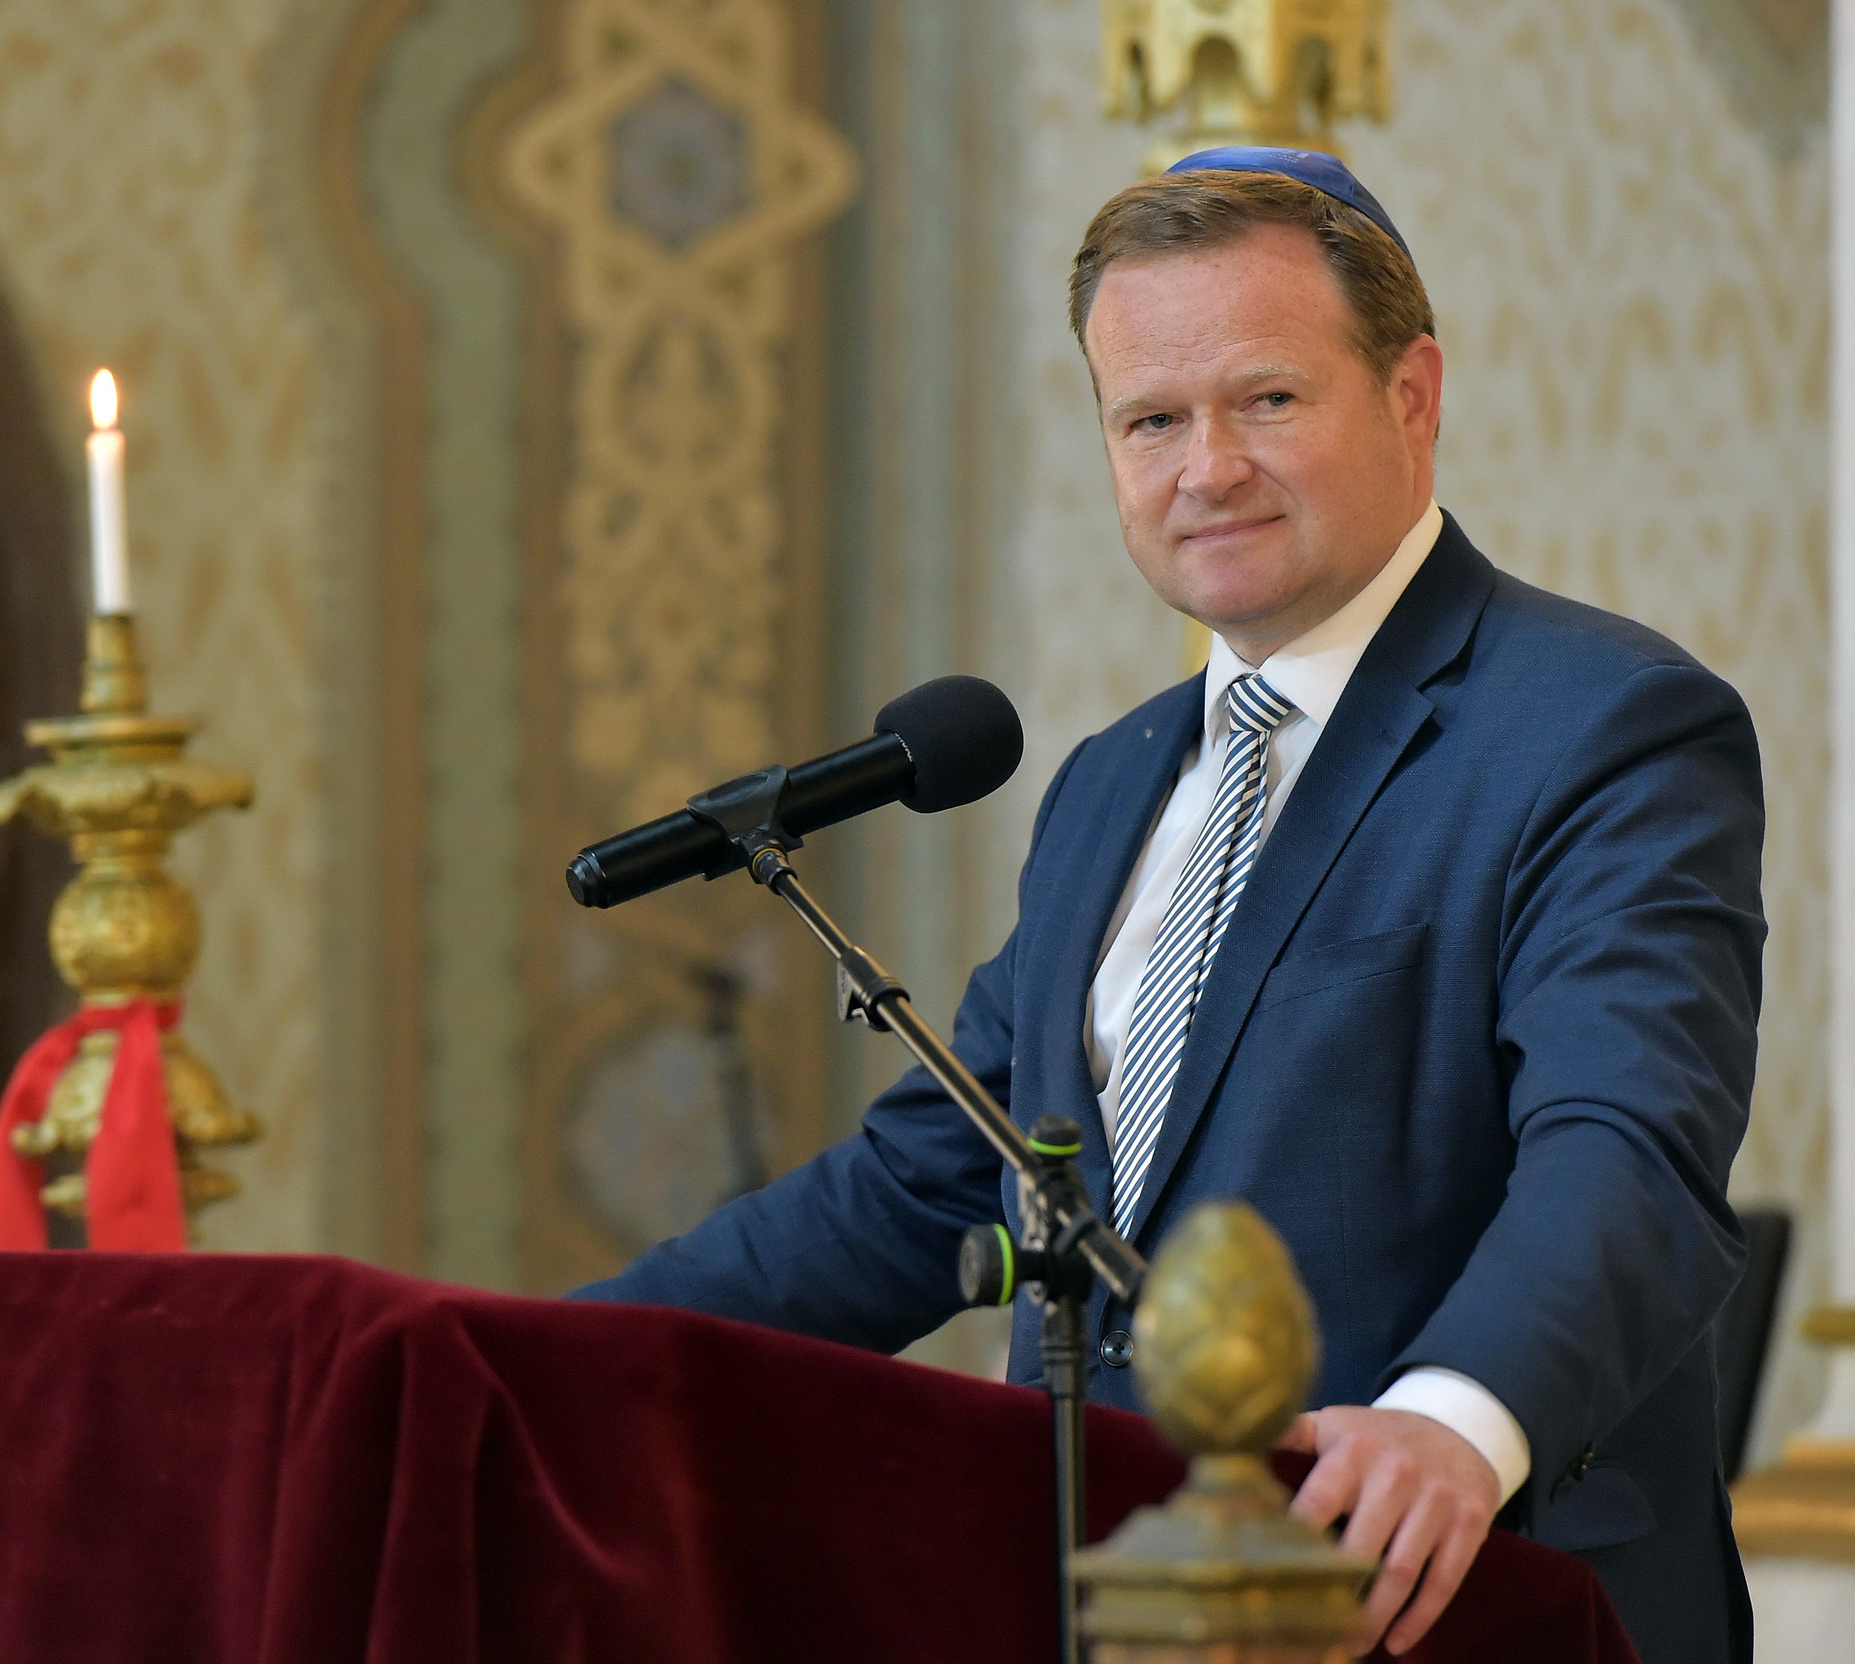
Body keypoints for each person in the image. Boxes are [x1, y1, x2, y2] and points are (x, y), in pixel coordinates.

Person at [575, 148, 1762, 1664]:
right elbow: (926, 1183)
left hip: (1445, 1602)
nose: (1205, 468)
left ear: (1412, 394)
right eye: (1151, 420)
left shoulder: (1601, 724)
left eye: (1267, 399)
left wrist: (1454, 1420)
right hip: (1117, 1607)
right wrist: (559, 1366)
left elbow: (1629, 1146)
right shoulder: (1109, 784)